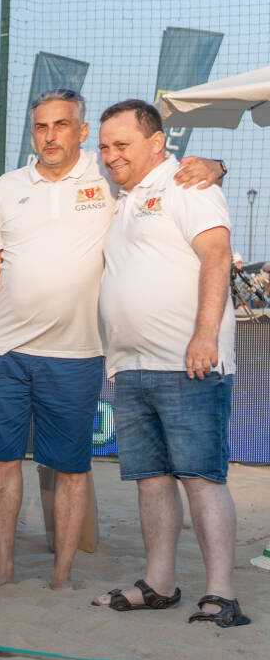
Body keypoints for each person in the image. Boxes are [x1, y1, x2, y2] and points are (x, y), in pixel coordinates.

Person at [0, 90, 227, 594]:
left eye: (62, 125)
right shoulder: (7, 186)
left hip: (77, 352)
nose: (50, 136)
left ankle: (62, 575)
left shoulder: (108, 174)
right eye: (41, 126)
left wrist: (216, 166)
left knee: (71, 467)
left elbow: (168, 176)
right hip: (6, 348)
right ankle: (3, 568)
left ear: (82, 131)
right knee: (1, 462)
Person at [90, 100, 247, 628]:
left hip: (188, 363)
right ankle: (159, 585)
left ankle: (221, 594)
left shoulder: (188, 184)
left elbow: (217, 256)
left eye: (122, 144)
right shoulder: (123, 198)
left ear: (157, 143)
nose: (111, 155)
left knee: (201, 478)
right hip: (131, 366)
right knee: (151, 480)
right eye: (104, 146)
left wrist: (205, 336)